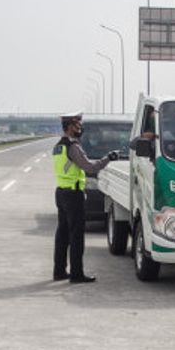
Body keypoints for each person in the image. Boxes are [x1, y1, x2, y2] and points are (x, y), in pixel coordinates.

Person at [53, 113, 119, 283]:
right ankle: (76, 274)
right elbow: (90, 167)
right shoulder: (73, 147)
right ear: (69, 126)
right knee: (76, 236)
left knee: (62, 234)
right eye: (77, 124)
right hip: (73, 195)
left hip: (61, 193)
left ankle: (59, 271)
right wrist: (108, 158)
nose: (80, 128)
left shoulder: (58, 146)